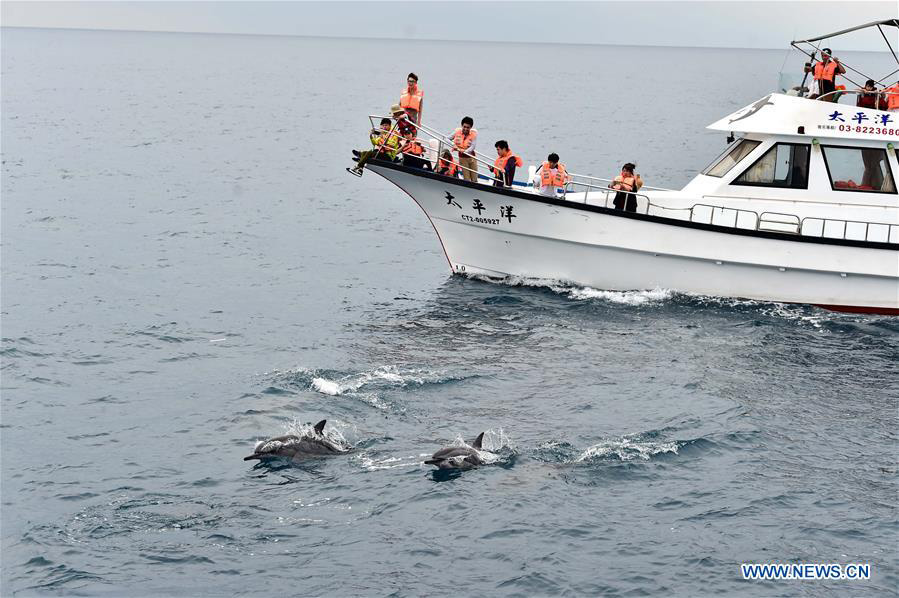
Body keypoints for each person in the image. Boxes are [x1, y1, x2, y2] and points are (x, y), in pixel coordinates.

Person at [450, 117, 478, 183]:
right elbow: (446, 138)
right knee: (467, 179)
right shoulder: (457, 132)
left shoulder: (473, 134)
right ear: (462, 126)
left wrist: (465, 151)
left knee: (474, 179)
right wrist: (453, 144)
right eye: (464, 126)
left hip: (472, 158)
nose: (465, 129)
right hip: (463, 159)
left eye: (468, 127)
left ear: (471, 127)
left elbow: (473, 146)